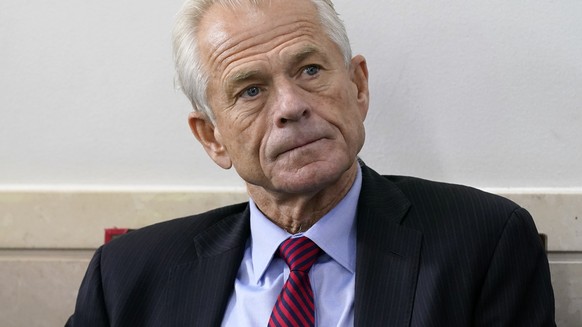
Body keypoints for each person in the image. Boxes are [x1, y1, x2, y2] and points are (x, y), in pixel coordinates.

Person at [66, 0, 555, 326]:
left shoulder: (484, 244)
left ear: (358, 86)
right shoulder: (128, 276)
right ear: (212, 137)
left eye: (310, 70)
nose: (290, 106)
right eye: (251, 90)